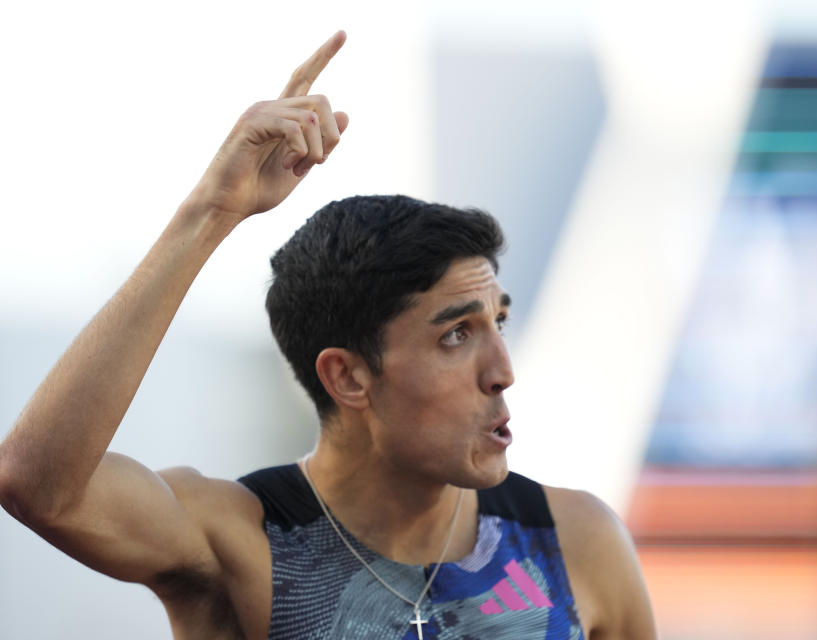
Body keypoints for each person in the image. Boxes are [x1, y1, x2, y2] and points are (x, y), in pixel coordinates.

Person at [0, 30, 656, 639]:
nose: (503, 370)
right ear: (347, 376)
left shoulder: (577, 543)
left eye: (499, 323)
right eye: (457, 335)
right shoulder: (243, 540)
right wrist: (212, 209)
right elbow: (37, 484)